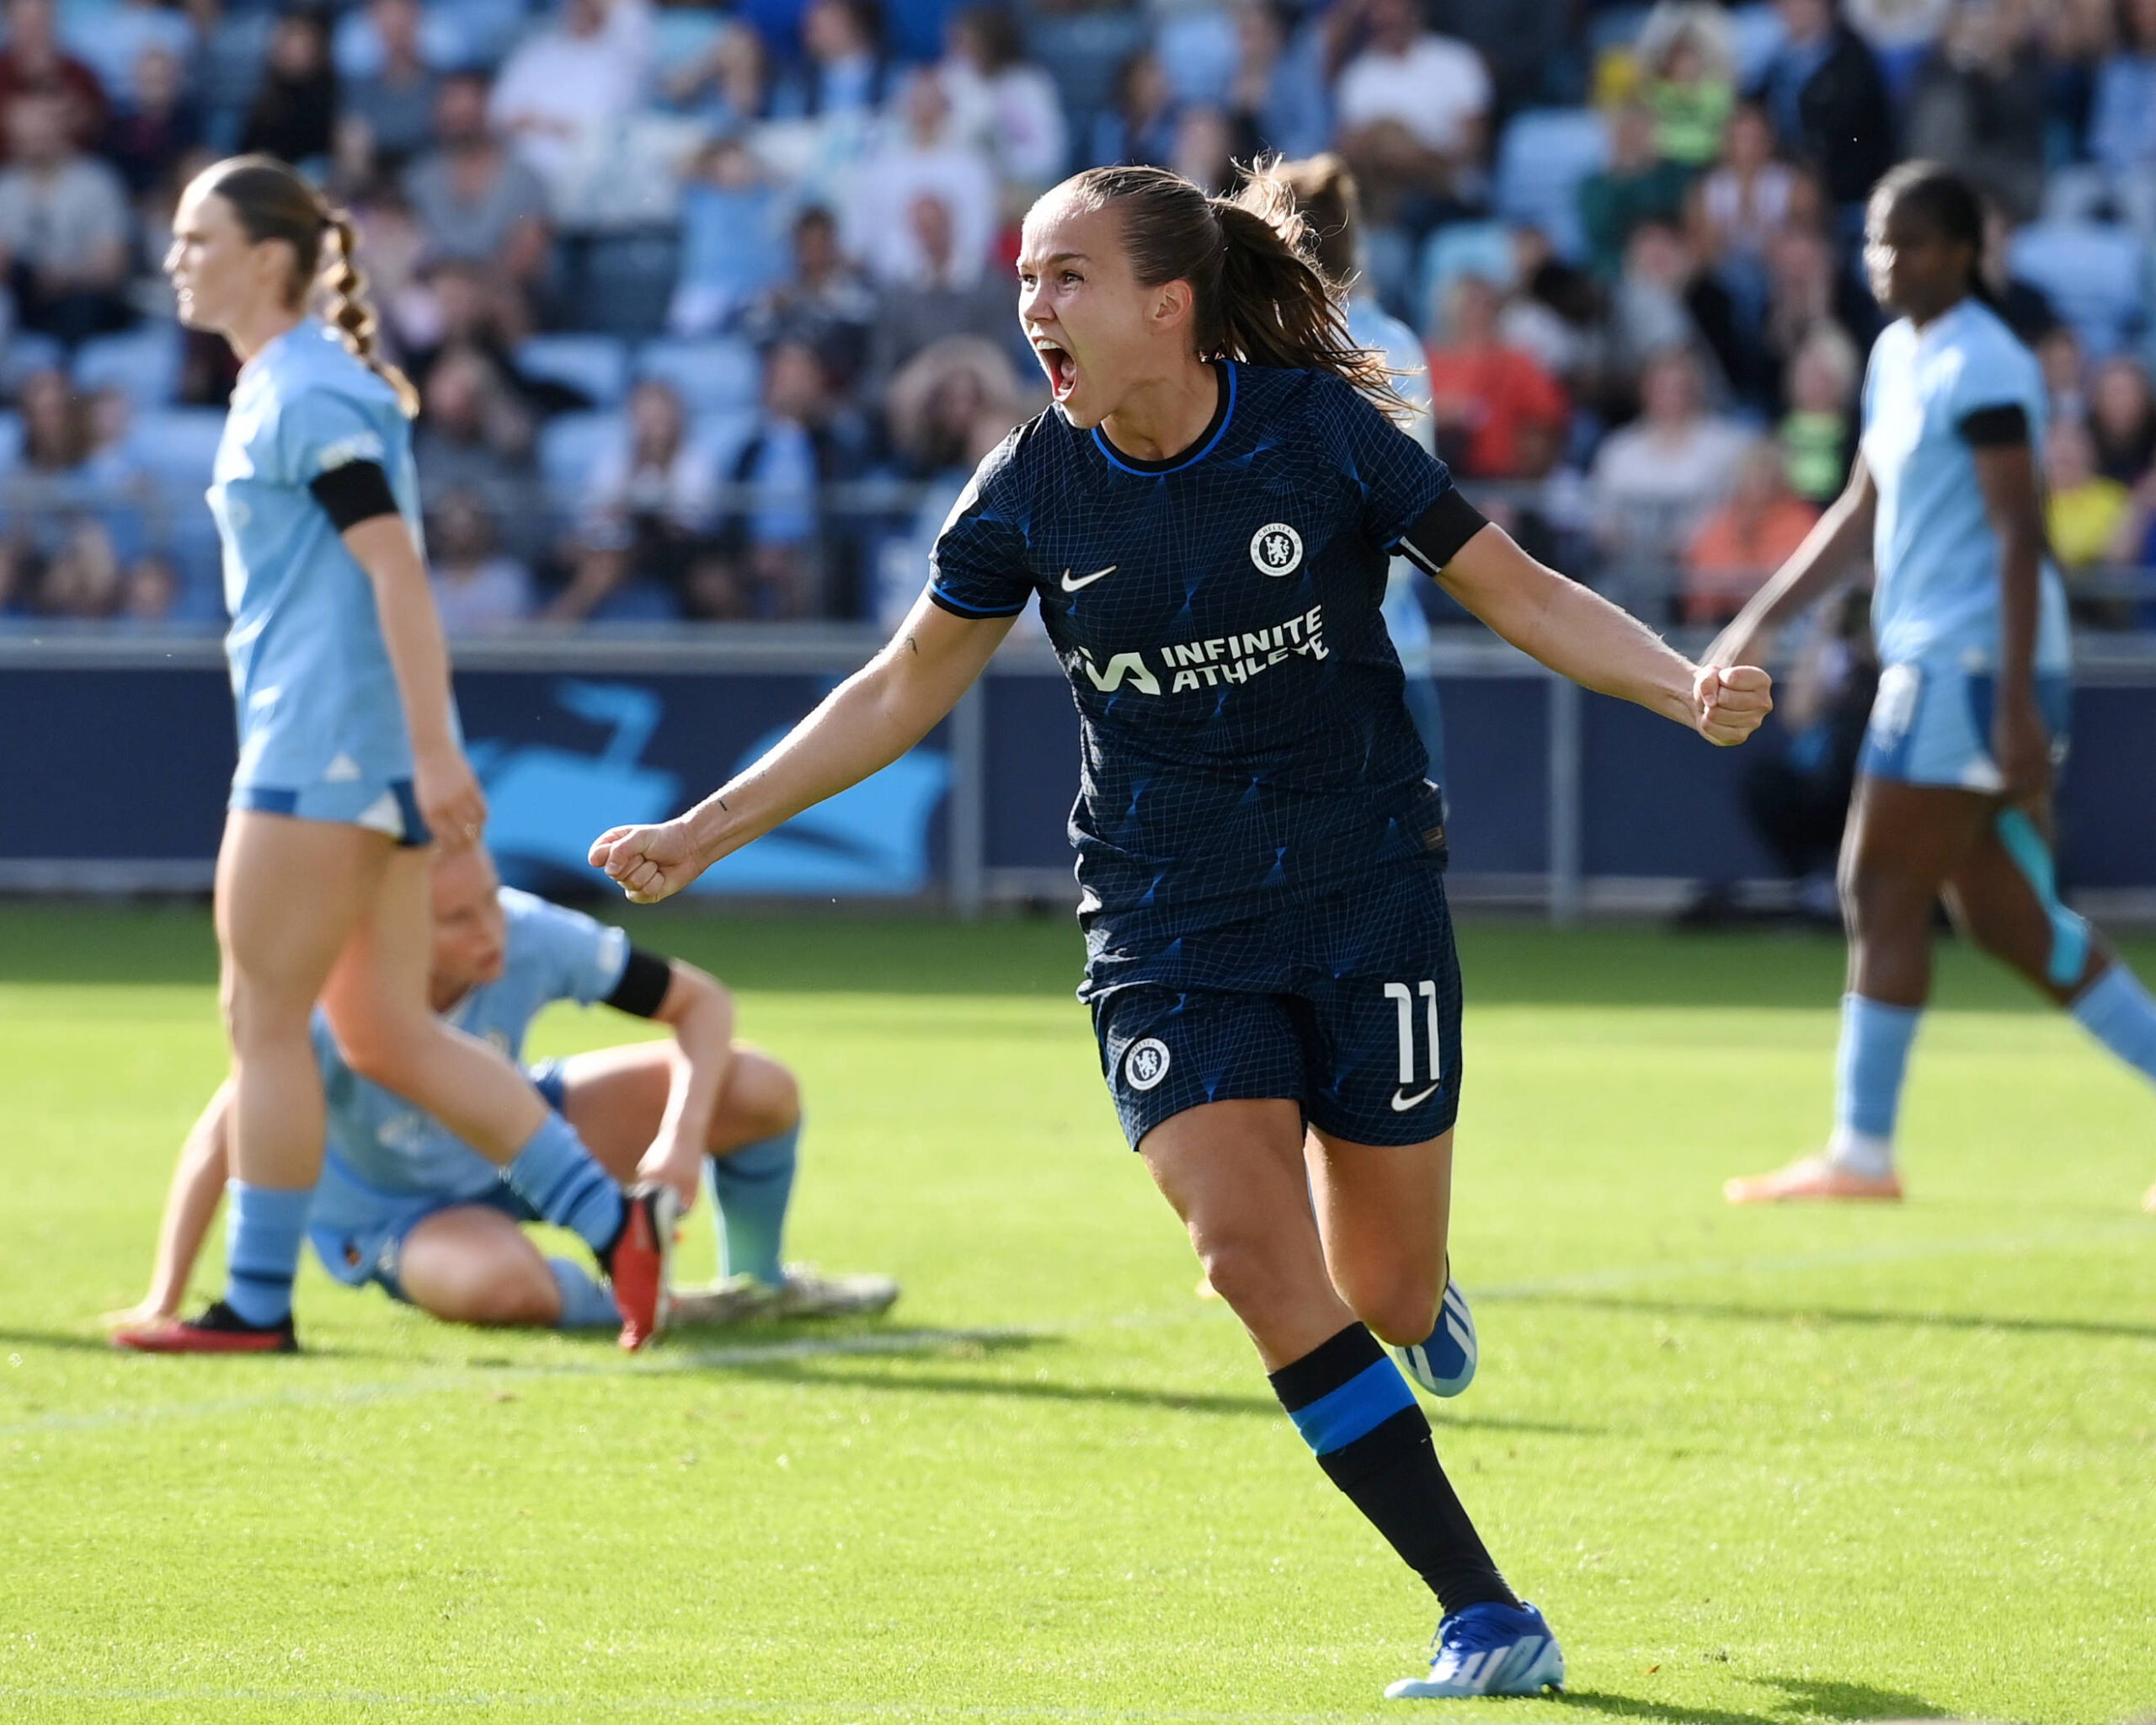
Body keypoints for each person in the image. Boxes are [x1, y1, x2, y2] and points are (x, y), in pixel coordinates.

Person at [589, 161, 1772, 1698]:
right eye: (1025, 278)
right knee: (1248, 1256)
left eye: (1065, 276)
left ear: (1172, 302)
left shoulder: (1321, 433)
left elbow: (1520, 591)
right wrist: (705, 827)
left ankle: (1417, 1290)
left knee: (1389, 1297)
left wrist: (1681, 681)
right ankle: (1487, 1608)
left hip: (1364, 890)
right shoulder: (1029, 487)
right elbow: (897, 687)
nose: (1033, 305)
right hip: (1166, 916)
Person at [109, 155, 675, 1355]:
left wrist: (430, 748)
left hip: (320, 752)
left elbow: (395, 570)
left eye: (197, 239)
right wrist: (424, 752)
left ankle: (256, 1303)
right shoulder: (308, 383)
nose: (176, 261)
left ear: (268, 259)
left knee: (260, 1019)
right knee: (387, 1037)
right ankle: (611, 1216)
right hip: (361, 751)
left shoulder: (299, 392)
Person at [1712, 162, 2156, 1211]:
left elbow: (2018, 538)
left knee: (1876, 884)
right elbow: (1863, 508)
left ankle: (1861, 1155)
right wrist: (1761, 613)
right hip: (1945, 657)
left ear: (1961, 252)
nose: (1885, 261)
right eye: (1873, 240)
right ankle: (1860, 1153)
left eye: (1907, 242)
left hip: (1967, 662)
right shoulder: (1896, 354)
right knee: (2008, 921)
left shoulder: (1987, 365)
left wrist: (2010, 702)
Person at [109, 844, 899, 1336]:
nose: (491, 929)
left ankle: (757, 1287)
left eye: (489, 896)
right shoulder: (331, 996)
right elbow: (225, 1131)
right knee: (504, 1288)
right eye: (457, 918)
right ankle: (671, 1303)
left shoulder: (525, 930)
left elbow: (704, 1004)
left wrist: (680, 1140)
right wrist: (165, 1296)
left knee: (758, 1085)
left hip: (529, 1134)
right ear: (394, 927)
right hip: (402, 1215)